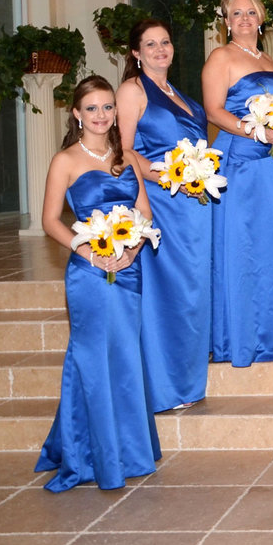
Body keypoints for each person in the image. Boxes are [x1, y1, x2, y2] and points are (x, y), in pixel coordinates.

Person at [36, 75, 160, 492]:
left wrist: (131, 251)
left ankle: (129, 451)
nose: (102, 115)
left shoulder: (126, 156)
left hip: (128, 268)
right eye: (92, 108)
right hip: (89, 272)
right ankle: (90, 455)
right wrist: (89, 251)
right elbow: (50, 220)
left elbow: (143, 212)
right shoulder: (66, 160)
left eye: (108, 107)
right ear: (76, 113)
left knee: (125, 357)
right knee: (90, 358)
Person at [202, 0, 273, 367]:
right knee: (242, 247)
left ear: (261, 19)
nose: (244, 19)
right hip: (240, 164)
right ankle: (241, 336)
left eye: (250, 12)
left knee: (271, 244)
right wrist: (255, 131)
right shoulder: (221, 57)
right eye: (236, 14)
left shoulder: (267, 60)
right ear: (226, 22)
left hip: (270, 164)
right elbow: (213, 111)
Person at [116, 18, 211, 412]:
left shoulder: (178, 93)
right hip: (162, 200)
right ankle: (165, 385)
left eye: (166, 42)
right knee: (169, 290)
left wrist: (196, 174)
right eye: (150, 44)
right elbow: (124, 153)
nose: (160, 50)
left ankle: (188, 378)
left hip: (193, 203)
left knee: (193, 287)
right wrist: (172, 175)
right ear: (136, 53)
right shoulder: (131, 90)